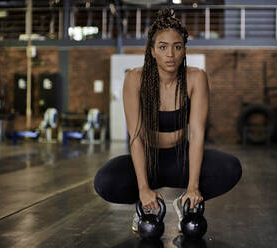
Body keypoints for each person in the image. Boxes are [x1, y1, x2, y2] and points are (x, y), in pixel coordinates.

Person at [94, 8, 242, 233]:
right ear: (152, 51)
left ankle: (185, 204)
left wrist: (193, 187)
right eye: (163, 47)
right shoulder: (134, 78)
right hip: (147, 159)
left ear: (184, 49)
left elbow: (198, 134)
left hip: (181, 159)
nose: (170, 54)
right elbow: (135, 136)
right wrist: (143, 188)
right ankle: (145, 207)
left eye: (177, 46)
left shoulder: (196, 78)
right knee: (105, 181)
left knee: (230, 167)